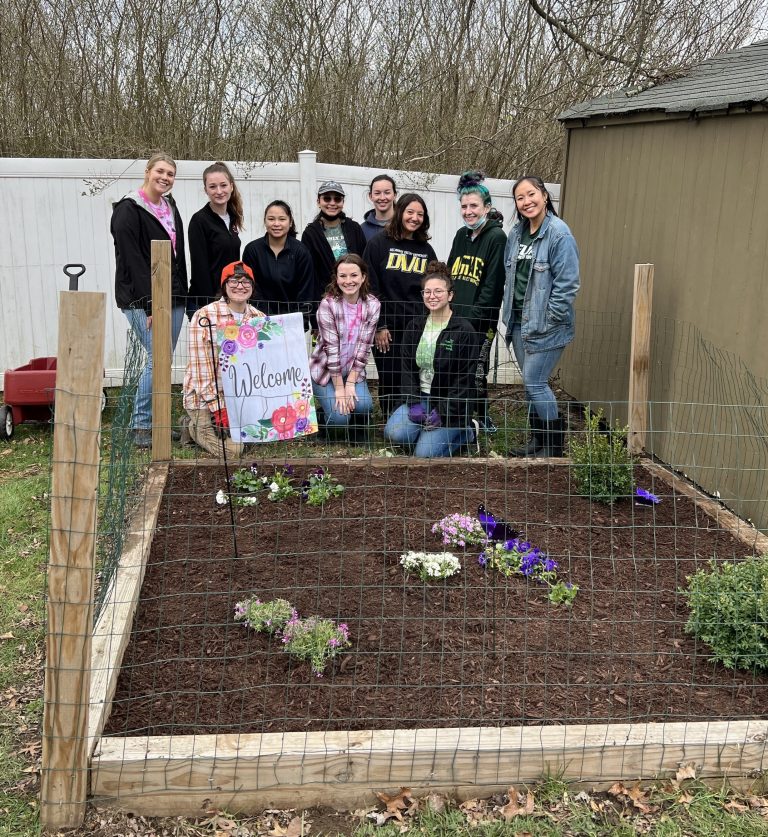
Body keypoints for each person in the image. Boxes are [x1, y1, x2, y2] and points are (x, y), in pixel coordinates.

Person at [111, 152, 188, 448]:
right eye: (160, 171)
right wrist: (149, 303)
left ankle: (158, 423)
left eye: (170, 174)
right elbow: (132, 261)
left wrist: (182, 292)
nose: (165, 178)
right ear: (147, 171)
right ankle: (142, 425)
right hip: (141, 298)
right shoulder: (128, 210)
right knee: (158, 358)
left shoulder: (170, 206)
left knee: (163, 360)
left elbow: (177, 255)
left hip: (174, 295)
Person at [502, 175, 580, 457]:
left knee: (535, 382)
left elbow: (567, 284)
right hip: (518, 322)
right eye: (520, 198)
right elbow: (510, 274)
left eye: (531, 194)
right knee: (530, 386)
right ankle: (538, 441)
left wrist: (549, 319)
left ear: (544, 195)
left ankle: (553, 448)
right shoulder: (516, 234)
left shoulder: (559, 234)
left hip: (547, 325)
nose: (526, 201)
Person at [383, 261, 478, 458]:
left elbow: (464, 380)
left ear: (450, 295)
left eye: (438, 291)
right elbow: (407, 370)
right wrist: (413, 402)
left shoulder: (463, 331)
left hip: (450, 404)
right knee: (394, 434)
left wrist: (443, 411)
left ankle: (468, 432)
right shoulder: (415, 327)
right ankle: (424, 433)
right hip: (421, 398)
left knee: (424, 455)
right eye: (427, 292)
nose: (432, 296)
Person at [363, 193, 437, 416]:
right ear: (399, 212)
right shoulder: (378, 244)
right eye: (410, 212)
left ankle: (411, 419)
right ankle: (390, 419)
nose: (415, 218)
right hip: (387, 327)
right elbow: (370, 287)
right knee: (390, 376)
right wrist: (380, 325)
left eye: (420, 214)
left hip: (417, 325)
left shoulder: (426, 250)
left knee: (414, 374)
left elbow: (433, 288)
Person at [183, 261, 266, 458]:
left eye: (246, 281)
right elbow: (201, 372)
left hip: (241, 397)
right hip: (205, 397)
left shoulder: (259, 318)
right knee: (233, 451)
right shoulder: (204, 316)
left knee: (260, 437)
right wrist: (219, 408)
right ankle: (192, 426)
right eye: (234, 281)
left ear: (252, 286)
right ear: (224, 285)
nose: (240, 286)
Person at [447, 170, 507, 435]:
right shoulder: (461, 235)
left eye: (474, 206)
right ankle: (456, 414)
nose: (468, 212)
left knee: (476, 370)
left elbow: (492, 286)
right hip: (454, 318)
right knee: (452, 366)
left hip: (480, 322)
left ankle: (481, 417)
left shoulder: (497, 238)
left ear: (487, 207)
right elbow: (450, 276)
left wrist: (471, 322)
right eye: (464, 206)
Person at [309, 254, 380, 442]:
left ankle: (357, 427)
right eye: (343, 276)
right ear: (336, 278)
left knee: (364, 406)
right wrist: (340, 389)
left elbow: (364, 347)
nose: (348, 281)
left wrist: (350, 383)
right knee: (340, 417)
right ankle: (322, 419)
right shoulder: (328, 305)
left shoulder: (372, 305)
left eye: (354, 275)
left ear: (363, 277)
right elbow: (331, 351)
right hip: (325, 372)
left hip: (352, 372)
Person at [242, 200, 314, 322]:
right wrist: (264, 318)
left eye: (282, 219)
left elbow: (305, 291)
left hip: (292, 320)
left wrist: (300, 321)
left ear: (290, 222)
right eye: (271, 219)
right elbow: (251, 288)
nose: (276, 224)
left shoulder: (301, 251)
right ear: (265, 221)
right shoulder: (253, 250)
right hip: (260, 319)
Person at [186, 162, 244, 316]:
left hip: (229, 300)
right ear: (206, 190)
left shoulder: (232, 217)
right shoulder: (199, 221)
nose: (219, 191)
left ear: (231, 186)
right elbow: (200, 269)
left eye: (223, 185)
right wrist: (212, 306)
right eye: (212, 187)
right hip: (206, 304)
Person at [301, 181, 367, 300]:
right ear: (318, 202)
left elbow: (364, 262)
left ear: (343, 202)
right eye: (327, 198)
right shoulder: (310, 234)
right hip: (325, 297)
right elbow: (310, 272)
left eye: (337, 199)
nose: (332, 203)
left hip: (355, 295)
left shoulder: (354, 228)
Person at [361, 174, 397, 241]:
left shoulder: (404, 225)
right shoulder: (362, 230)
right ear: (370, 196)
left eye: (387, 193)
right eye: (377, 193)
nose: (382, 198)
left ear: (394, 195)